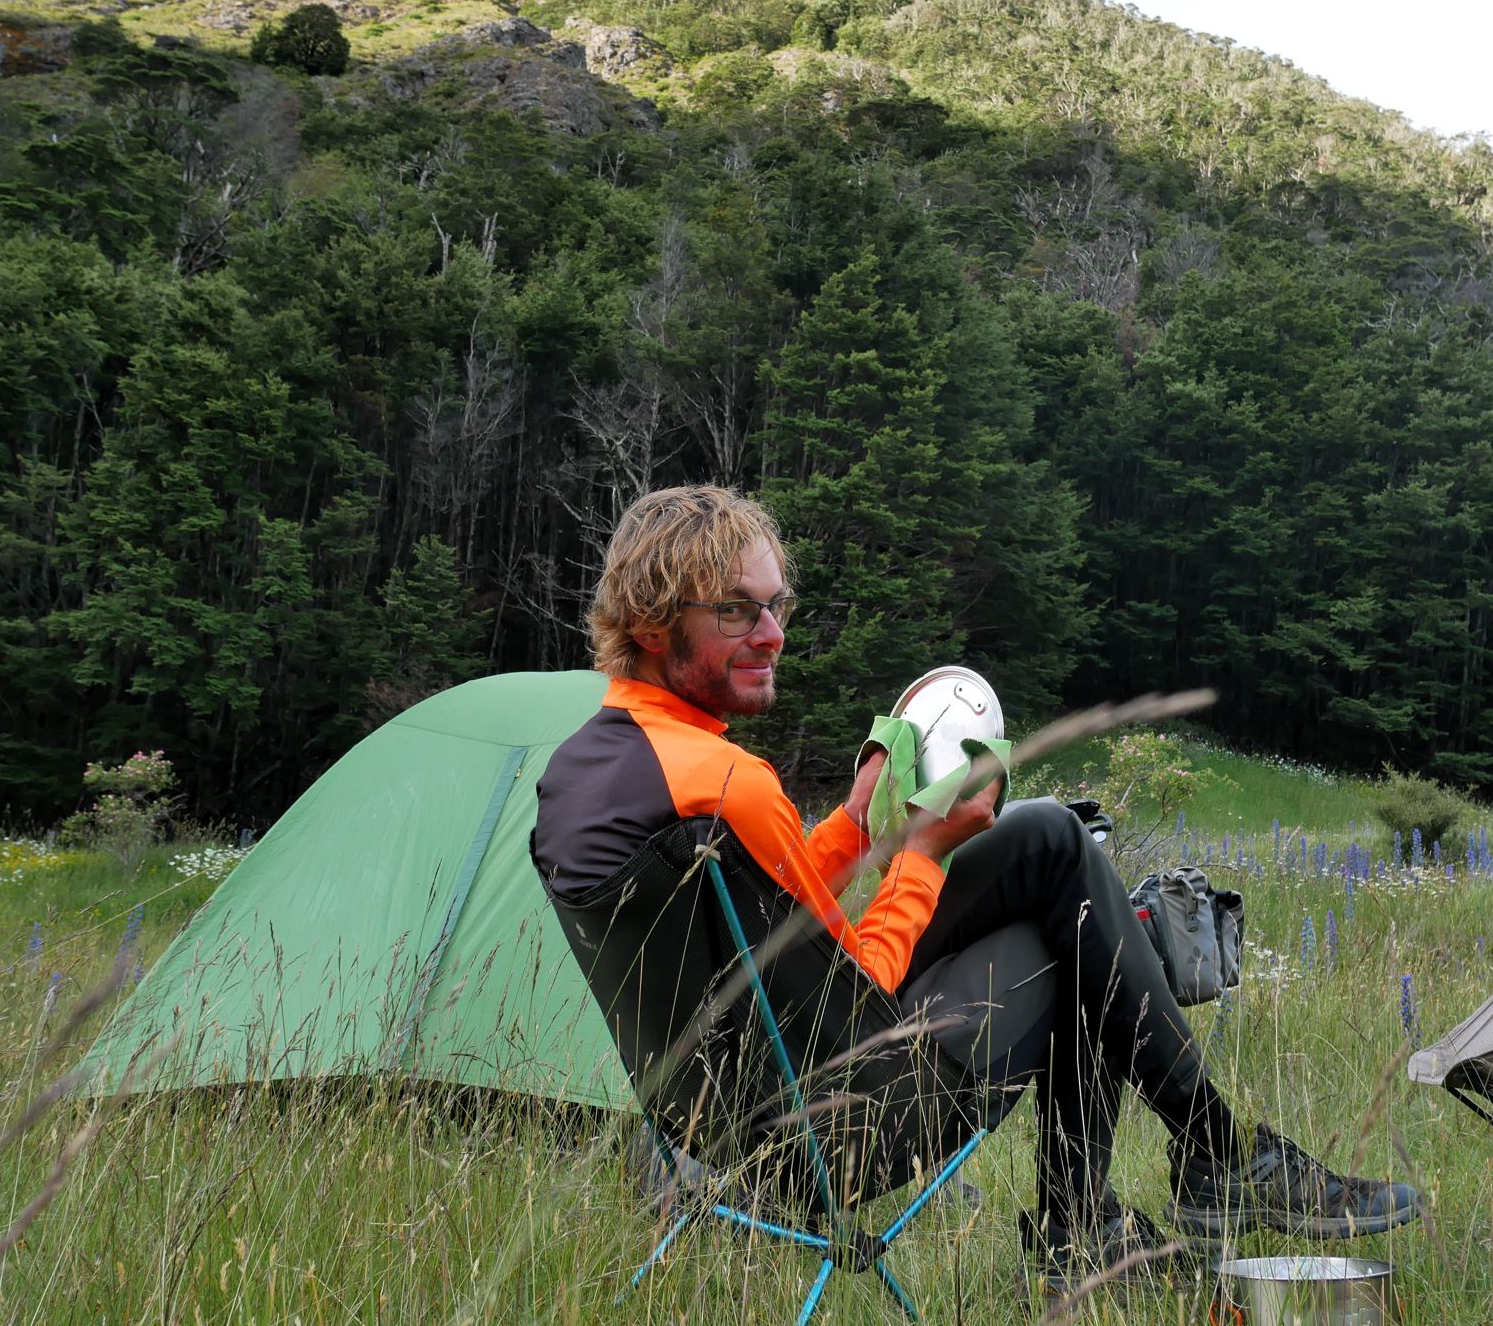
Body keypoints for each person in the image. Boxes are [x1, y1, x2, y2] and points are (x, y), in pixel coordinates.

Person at [530, 485, 1420, 1291]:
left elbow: (774, 933)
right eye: (735, 610)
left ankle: (1160, 1189)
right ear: (652, 626)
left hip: (728, 1121)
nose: (773, 635)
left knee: (1044, 839)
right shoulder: (731, 784)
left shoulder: (583, 777)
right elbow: (856, 991)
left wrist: (857, 823)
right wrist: (920, 851)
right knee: (1068, 921)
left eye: (776, 605)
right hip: (847, 1127)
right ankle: (1156, 1190)